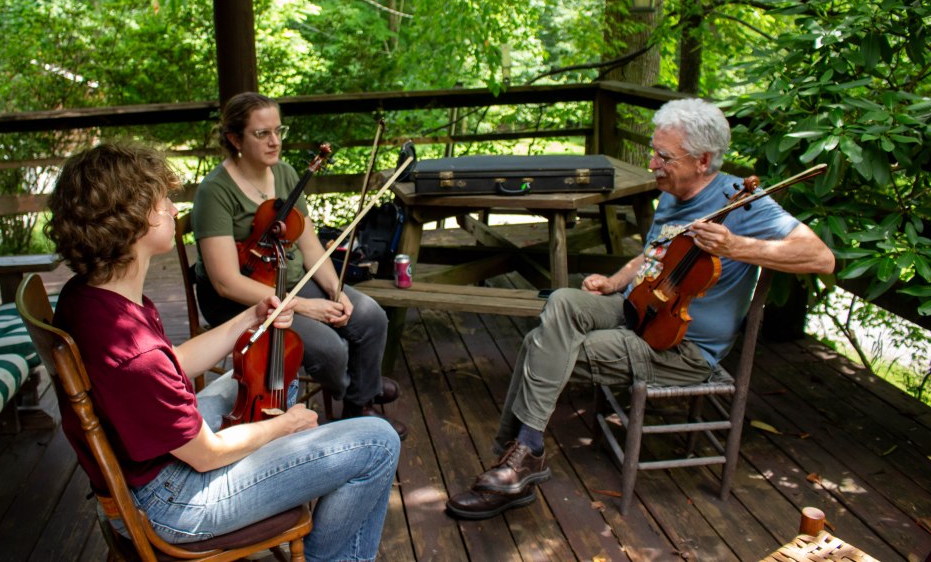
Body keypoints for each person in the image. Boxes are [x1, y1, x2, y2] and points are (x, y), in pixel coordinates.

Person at [445, 98, 836, 519]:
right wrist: (614, 281)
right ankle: (524, 455)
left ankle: (517, 459)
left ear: (703, 161)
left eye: (663, 156)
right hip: (636, 307)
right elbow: (655, 253)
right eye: (654, 151)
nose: (652, 163)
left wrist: (736, 246)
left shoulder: (741, 203)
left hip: (680, 347)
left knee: (543, 345)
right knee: (561, 301)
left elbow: (821, 258)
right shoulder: (673, 190)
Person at [46, 142, 400, 561]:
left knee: (262, 376)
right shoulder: (134, 355)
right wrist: (283, 427)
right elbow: (204, 453)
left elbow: (169, 366)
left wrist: (250, 317)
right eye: (162, 202)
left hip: (150, 466)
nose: (174, 210)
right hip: (175, 502)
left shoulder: (90, 296)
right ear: (131, 220)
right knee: (378, 441)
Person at [191, 92, 407, 439]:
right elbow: (225, 282)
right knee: (328, 349)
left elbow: (310, 247)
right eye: (262, 133)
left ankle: (358, 405)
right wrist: (307, 307)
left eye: (279, 130)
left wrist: (336, 290)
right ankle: (358, 387)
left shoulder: (288, 174)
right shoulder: (215, 192)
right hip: (241, 297)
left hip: (289, 279)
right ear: (235, 139)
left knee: (370, 316)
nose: (274, 141)